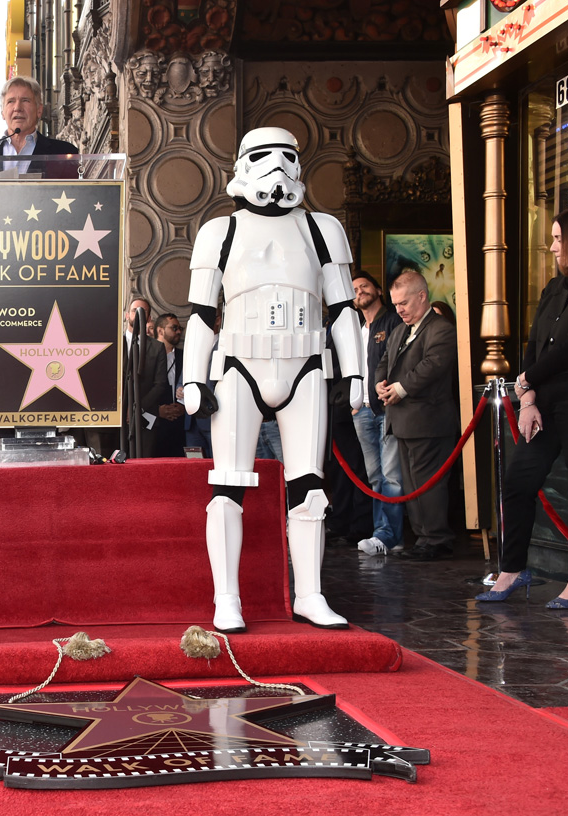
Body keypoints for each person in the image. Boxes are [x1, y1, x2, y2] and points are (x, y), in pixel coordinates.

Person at [182, 127, 363, 631]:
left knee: (309, 486)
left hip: (305, 363)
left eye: (288, 155)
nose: (277, 166)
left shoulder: (323, 229)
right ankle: (227, 598)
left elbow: (344, 307)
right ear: (242, 164)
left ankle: (310, 593)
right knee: (228, 486)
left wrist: (354, 372)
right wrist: (194, 379)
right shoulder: (221, 231)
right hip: (240, 363)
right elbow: (200, 312)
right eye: (263, 155)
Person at [476, 205, 568, 608]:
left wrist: (527, 381)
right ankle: (513, 569)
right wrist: (527, 398)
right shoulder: (553, 289)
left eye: (559, 238)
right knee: (520, 479)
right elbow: (534, 347)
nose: (553, 247)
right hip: (544, 396)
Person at [375, 270, 459, 561]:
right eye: (396, 304)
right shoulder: (399, 330)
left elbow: (432, 366)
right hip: (402, 420)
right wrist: (380, 383)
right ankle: (423, 538)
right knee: (412, 484)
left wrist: (400, 387)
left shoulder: (441, 329)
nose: (399, 310)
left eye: (404, 303)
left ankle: (437, 539)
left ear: (422, 296)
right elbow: (384, 361)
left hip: (430, 421)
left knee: (429, 484)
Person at [349, 271, 405, 556]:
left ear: (378, 290)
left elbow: (396, 362)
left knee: (391, 475)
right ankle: (381, 532)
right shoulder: (357, 327)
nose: (360, 291)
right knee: (374, 476)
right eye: (355, 288)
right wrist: (354, 402)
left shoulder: (392, 321)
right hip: (362, 410)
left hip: (386, 408)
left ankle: (389, 535)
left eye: (365, 286)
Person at [0, 76, 79, 179]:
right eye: (11, 101)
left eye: (25, 100)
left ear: (39, 110)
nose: (17, 107)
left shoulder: (64, 154)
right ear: (3, 112)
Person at [123, 297, 169, 458]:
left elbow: (160, 384)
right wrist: (123, 409)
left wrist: (137, 408)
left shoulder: (157, 347)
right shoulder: (115, 343)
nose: (138, 314)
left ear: (149, 318)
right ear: (127, 315)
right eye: (135, 310)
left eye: (143, 312)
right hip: (118, 420)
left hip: (146, 416)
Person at [153, 313, 186, 457]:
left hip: (180, 425)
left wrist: (184, 406)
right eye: (174, 328)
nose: (178, 331)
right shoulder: (146, 356)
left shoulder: (185, 356)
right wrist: (156, 411)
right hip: (154, 426)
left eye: (180, 328)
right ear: (160, 331)